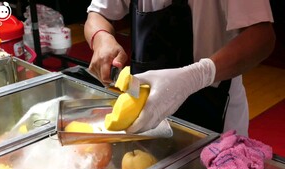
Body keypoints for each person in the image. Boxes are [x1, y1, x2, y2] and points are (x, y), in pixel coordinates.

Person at [84, 0, 275, 136]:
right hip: (146, 117)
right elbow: (97, 14)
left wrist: (198, 75)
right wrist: (101, 38)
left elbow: (262, 37)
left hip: (214, 115)